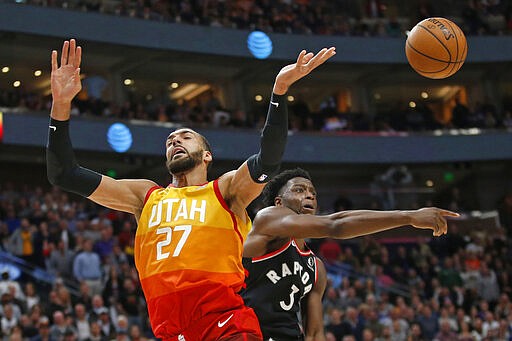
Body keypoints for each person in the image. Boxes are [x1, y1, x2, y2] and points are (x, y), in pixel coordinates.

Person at [46, 39, 336, 340]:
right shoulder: (145, 197)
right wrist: (61, 105)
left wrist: (278, 92)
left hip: (224, 324)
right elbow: (64, 174)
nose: (175, 141)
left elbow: (268, 161)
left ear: (206, 154)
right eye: (170, 140)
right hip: (172, 332)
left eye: (185, 137)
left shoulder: (225, 190)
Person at [240, 168, 458, 341]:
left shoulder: (316, 267)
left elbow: (314, 334)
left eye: (313, 193)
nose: (309, 195)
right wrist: (408, 217)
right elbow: (335, 224)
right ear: (279, 202)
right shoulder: (266, 220)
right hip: (242, 333)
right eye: (299, 189)